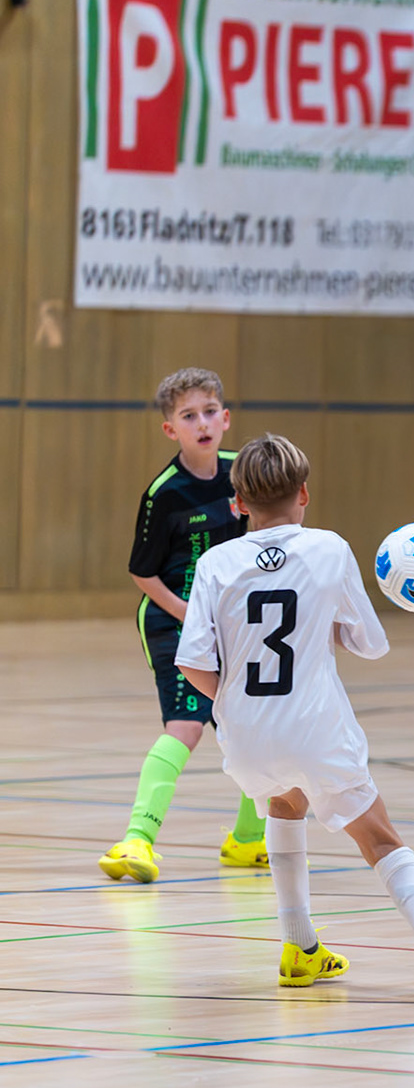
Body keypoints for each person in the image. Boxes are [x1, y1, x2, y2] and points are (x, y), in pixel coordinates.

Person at [173, 433, 414, 1003]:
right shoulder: (329, 548)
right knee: (380, 838)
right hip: (315, 730)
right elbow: (370, 644)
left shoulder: (215, 562)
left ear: (237, 502)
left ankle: (299, 948)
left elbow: (193, 663)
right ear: (304, 493)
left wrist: (236, 703)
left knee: (283, 802)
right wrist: (326, 627)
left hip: (245, 738)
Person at [99, 368, 269, 883]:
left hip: (228, 624)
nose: (203, 423)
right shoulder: (164, 494)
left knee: (252, 729)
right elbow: (142, 573)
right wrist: (192, 616)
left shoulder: (241, 473)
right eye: (189, 416)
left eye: (210, 412)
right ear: (170, 429)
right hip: (173, 619)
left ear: (226, 418)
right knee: (186, 727)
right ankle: (137, 840)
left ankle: (247, 841)